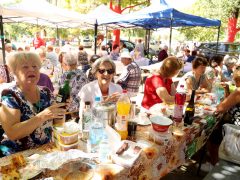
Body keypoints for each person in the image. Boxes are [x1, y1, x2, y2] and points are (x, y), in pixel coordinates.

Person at [0, 52, 66, 155]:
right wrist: (42, 116)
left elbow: (57, 121)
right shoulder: (10, 95)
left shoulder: (46, 92)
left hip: (44, 152)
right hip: (18, 157)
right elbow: (12, 133)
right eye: (25, 67)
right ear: (14, 72)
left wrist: (62, 109)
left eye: (35, 66)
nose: (31, 69)